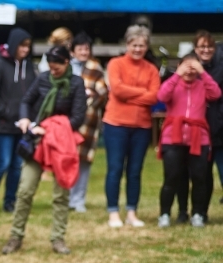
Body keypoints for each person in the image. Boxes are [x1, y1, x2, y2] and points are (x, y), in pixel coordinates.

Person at [2, 46, 87, 256]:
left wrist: (50, 128)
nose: (53, 70)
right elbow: (26, 101)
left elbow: (77, 118)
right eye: (50, 67)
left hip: (61, 146)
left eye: (56, 67)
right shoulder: (42, 79)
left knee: (61, 194)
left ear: (67, 62)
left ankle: (58, 238)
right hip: (37, 143)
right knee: (24, 191)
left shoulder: (76, 83)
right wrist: (25, 119)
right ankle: (15, 236)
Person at [103, 25, 160, 228]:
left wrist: (132, 95)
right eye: (134, 45)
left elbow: (154, 96)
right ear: (127, 44)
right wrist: (141, 93)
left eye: (142, 45)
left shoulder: (151, 69)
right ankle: (112, 212)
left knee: (135, 171)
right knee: (115, 168)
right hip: (115, 124)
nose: (138, 49)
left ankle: (132, 212)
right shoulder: (116, 64)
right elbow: (117, 90)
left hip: (141, 127)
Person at [156, 53, 221, 228]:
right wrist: (177, 74)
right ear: (179, 66)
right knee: (171, 177)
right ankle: (164, 213)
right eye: (186, 66)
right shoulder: (173, 83)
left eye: (194, 67)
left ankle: (198, 213)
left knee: (199, 178)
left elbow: (215, 93)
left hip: (199, 137)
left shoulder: (202, 85)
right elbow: (162, 96)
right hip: (173, 136)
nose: (190, 70)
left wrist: (203, 73)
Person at [0, 27, 35, 213]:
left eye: (28, 47)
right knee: (3, 163)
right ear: (14, 45)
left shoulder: (29, 66)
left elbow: (33, 92)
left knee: (17, 165)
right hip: (2, 124)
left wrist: (29, 116)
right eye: (22, 46)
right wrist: (6, 112)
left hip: (22, 124)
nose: (25, 50)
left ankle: (10, 201)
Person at [67, 32, 107, 214]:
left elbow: (103, 93)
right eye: (80, 49)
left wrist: (89, 98)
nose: (83, 52)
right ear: (73, 51)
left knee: (84, 161)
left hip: (88, 120)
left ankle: (79, 200)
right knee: (67, 160)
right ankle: (66, 198)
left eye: (86, 49)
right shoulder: (65, 66)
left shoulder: (95, 68)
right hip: (67, 120)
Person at [191, 31, 223, 218]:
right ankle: (200, 212)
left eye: (210, 46)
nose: (206, 50)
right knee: (202, 177)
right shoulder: (189, 68)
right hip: (200, 132)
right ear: (195, 48)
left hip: (220, 129)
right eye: (202, 47)